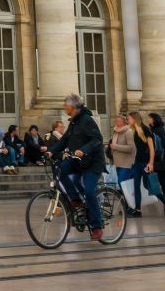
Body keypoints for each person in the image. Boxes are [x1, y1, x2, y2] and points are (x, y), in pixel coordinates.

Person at [49, 94, 107, 240]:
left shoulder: (87, 120)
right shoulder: (74, 122)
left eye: (65, 105)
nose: (64, 107)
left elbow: (97, 139)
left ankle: (97, 226)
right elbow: (65, 140)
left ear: (73, 107)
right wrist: (51, 151)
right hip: (78, 160)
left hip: (93, 163)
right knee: (59, 169)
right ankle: (76, 199)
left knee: (89, 190)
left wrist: (84, 150)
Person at [109, 115, 140, 217]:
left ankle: (130, 207)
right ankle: (127, 207)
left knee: (123, 185)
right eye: (116, 120)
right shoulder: (115, 131)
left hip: (126, 163)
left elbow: (131, 148)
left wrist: (116, 147)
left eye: (119, 121)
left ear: (124, 122)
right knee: (123, 186)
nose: (116, 122)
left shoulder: (128, 132)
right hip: (118, 162)